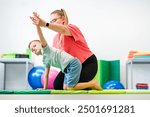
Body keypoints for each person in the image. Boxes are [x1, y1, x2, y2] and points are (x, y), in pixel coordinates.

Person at [30, 9, 100, 90]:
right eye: (51, 21)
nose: (52, 23)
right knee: (58, 85)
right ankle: (84, 86)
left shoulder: (71, 28)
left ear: (63, 19)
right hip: (70, 67)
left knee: (73, 85)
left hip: (87, 63)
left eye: (54, 20)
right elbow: (59, 58)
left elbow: (63, 29)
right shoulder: (55, 39)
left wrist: (45, 24)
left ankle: (91, 84)